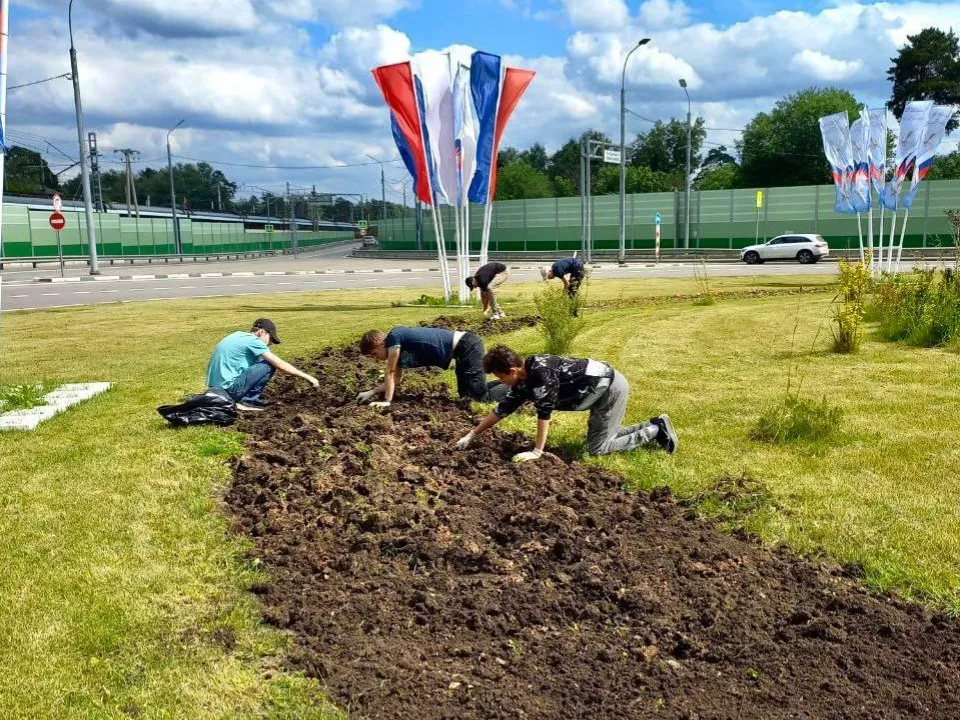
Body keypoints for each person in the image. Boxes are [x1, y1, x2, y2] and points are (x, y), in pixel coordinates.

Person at [455, 345, 677, 462]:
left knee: (598, 449)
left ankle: (655, 431)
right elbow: (502, 409)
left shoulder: (540, 374)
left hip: (610, 388)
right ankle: (655, 423)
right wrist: (472, 435)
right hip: (599, 390)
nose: (502, 383)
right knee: (603, 438)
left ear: (513, 370)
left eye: (501, 378)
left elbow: (544, 414)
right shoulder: (524, 380)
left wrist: (537, 451)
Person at [357, 326, 509, 407]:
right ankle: (509, 383)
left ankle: (519, 385)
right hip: (463, 350)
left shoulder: (394, 338)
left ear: (381, 344)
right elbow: (395, 380)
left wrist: (387, 401)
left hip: (467, 346)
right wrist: (371, 392)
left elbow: (389, 372)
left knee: (480, 399)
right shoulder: (397, 349)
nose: (375, 359)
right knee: (466, 397)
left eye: (374, 354)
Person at [205, 318, 319, 412]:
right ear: (262, 332)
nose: (269, 345)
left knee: (259, 360)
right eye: (270, 340)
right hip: (229, 390)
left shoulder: (237, 335)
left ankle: (246, 398)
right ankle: (247, 401)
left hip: (217, 389)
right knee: (268, 364)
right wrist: (308, 377)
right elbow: (280, 365)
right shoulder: (254, 341)